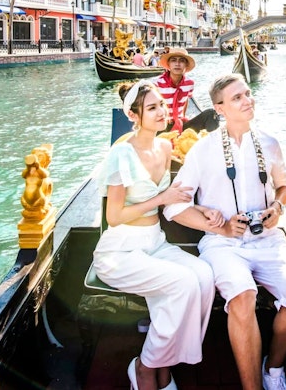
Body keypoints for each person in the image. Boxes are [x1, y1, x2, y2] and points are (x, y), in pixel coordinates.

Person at [164, 74, 286, 390]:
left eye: (247, 94)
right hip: (223, 244)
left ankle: (272, 369)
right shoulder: (203, 150)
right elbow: (174, 207)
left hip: (268, 239)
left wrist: (276, 207)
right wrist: (219, 225)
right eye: (237, 98)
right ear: (219, 108)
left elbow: (285, 185)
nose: (248, 100)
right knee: (243, 296)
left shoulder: (269, 143)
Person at [93, 81, 221, 390]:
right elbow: (114, 216)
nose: (161, 111)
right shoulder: (122, 153)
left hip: (155, 242)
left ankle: (165, 361)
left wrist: (206, 211)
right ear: (134, 116)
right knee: (184, 283)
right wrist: (160, 199)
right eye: (152, 108)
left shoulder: (166, 147)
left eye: (162, 105)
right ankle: (145, 367)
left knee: (204, 277)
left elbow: (183, 189)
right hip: (120, 251)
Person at [154, 47, 219, 133]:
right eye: (173, 60)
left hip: (180, 124)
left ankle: (215, 143)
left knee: (211, 114)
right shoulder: (157, 84)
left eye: (181, 61)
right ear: (169, 64)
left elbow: (185, 101)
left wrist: (181, 117)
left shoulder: (189, 84)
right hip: (162, 126)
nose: (177, 64)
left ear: (186, 65)